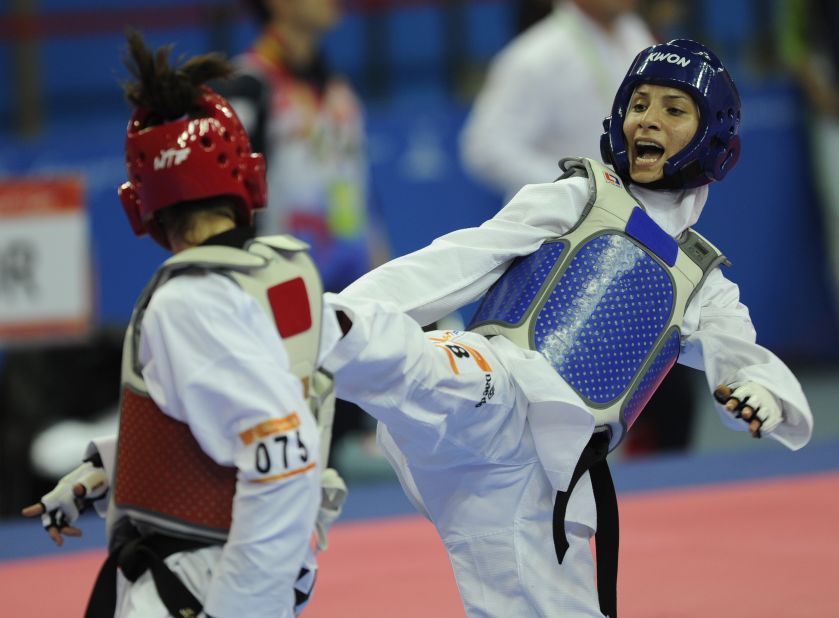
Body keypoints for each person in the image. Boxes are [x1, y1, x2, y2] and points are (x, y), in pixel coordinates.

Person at [323, 39, 814, 617]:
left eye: (674, 110)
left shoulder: (701, 282)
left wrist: (764, 397)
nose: (648, 119)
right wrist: (346, 310)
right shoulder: (578, 197)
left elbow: (746, 361)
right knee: (426, 364)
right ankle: (312, 330)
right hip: (493, 393)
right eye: (640, 103)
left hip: (538, 485)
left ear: (712, 138)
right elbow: (457, 259)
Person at [22, 31, 346, 618]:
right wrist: (103, 470)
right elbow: (212, 425)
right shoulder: (282, 275)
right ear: (248, 175)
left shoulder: (186, 303)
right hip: (246, 567)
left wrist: (238, 608)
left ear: (137, 204)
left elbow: (283, 448)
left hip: (204, 583)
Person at [216, 0, 388, 469]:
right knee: (295, 462)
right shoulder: (246, 87)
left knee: (345, 463)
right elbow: (229, 209)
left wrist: (385, 282)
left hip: (348, 303)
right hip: (280, 307)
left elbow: (361, 193)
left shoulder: (338, 90)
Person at [460, 0, 654, 199]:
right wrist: (577, 183)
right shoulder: (536, 57)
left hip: (632, 210)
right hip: (563, 218)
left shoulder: (635, 33)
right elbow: (486, 148)